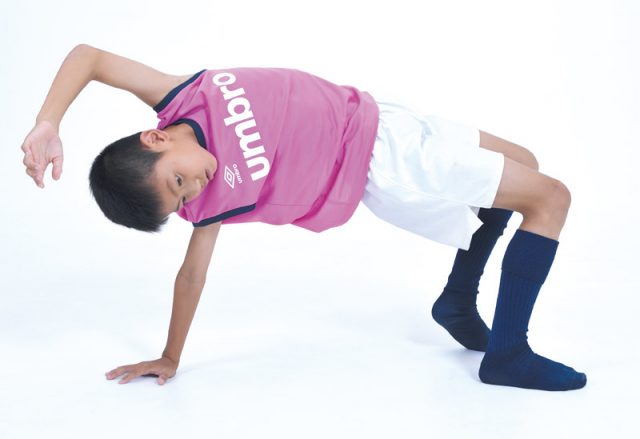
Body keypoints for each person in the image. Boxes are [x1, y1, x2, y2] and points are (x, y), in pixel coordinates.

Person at [20, 44, 586, 391]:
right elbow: (191, 275)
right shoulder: (213, 201)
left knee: (524, 164)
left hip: (382, 116)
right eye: (182, 198)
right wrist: (171, 356)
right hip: (385, 161)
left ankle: (457, 302)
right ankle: (508, 354)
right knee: (549, 198)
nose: (196, 187)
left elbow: (90, 57)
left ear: (157, 137)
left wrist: (48, 122)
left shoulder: (181, 96)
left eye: (178, 180)